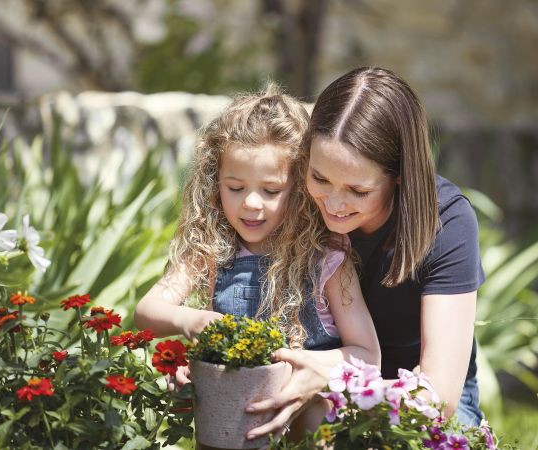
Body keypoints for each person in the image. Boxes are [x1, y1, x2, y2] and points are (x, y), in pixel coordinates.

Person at [245, 67, 485, 438]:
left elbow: (439, 397)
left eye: (358, 190)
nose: (334, 204)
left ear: (400, 175)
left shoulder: (448, 223)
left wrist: (332, 381)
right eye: (320, 178)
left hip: (409, 396)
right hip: (307, 384)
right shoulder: (295, 199)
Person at [133, 84, 380, 440]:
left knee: (315, 417)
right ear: (214, 183)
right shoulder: (210, 249)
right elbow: (147, 311)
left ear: (299, 187)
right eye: (235, 187)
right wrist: (193, 322)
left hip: (307, 413)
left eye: (271, 190)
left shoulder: (326, 258)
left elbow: (368, 354)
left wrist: (301, 365)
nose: (251, 203)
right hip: (236, 420)